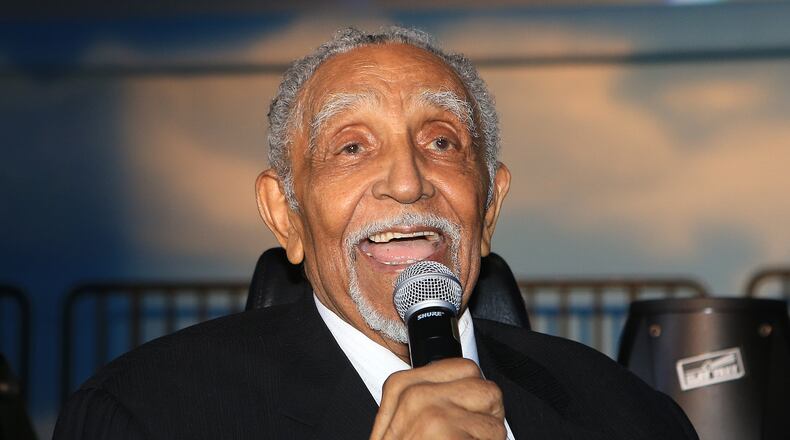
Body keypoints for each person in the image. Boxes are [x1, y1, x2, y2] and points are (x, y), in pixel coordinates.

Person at [54, 27, 698, 439]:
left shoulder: (632, 417)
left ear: (491, 206)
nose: (407, 181)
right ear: (286, 215)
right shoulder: (144, 416)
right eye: (352, 147)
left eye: (441, 142)